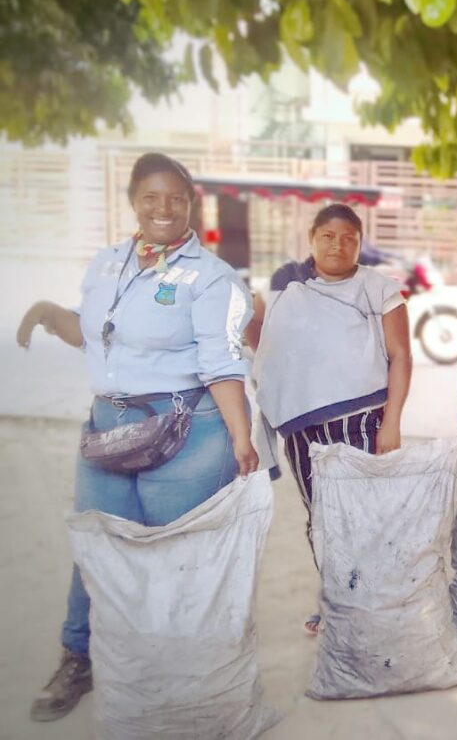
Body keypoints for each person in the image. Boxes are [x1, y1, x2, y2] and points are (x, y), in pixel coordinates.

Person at [16, 153, 255, 722]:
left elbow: (223, 364)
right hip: (110, 428)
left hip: (187, 433)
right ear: (132, 201)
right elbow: (93, 333)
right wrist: (48, 311)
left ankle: (181, 681)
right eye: (150, 196)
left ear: (191, 204)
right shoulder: (108, 263)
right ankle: (78, 657)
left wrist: (241, 440)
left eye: (175, 198)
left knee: (178, 559)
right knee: (97, 546)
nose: (162, 208)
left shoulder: (211, 277)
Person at [252, 204, 411, 633]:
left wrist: (392, 422)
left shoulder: (377, 288)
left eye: (348, 238)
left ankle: (373, 607)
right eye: (328, 236)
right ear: (312, 238)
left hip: (360, 419)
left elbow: (400, 355)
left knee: (364, 517)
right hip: (300, 423)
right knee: (321, 517)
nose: (337, 245)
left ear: (360, 243)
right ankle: (339, 604)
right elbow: (260, 331)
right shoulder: (287, 281)